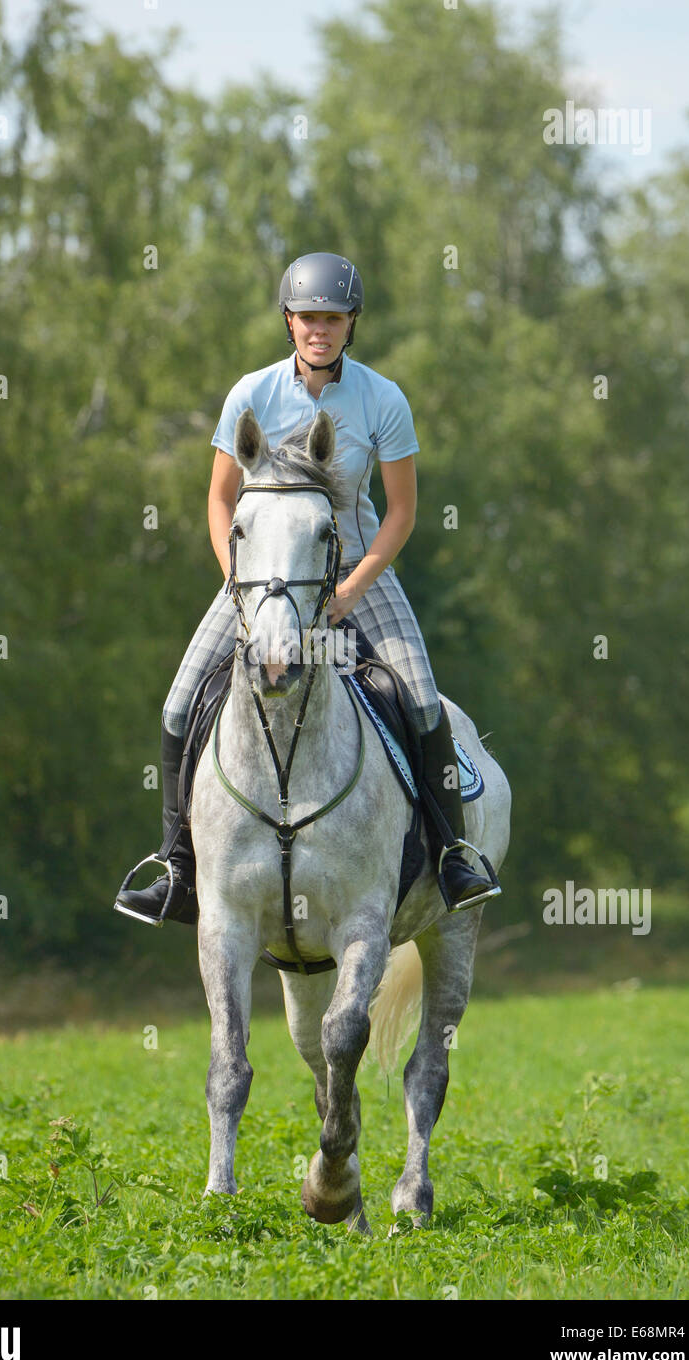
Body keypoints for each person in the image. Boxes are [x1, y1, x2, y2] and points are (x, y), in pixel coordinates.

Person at [115, 252, 498, 926]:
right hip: (260, 579)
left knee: (421, 701)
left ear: (351, 324)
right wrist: (234, 579)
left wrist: (352, 587)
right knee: (179, 706)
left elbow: (403, 511)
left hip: (356, 572)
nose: (318, 329)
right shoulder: (252, 393)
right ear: (288, 322)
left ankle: (451, 854)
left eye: (331, 318)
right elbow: (219, 499)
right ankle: (177, 866)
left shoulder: (383, 398)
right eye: (306, 317)